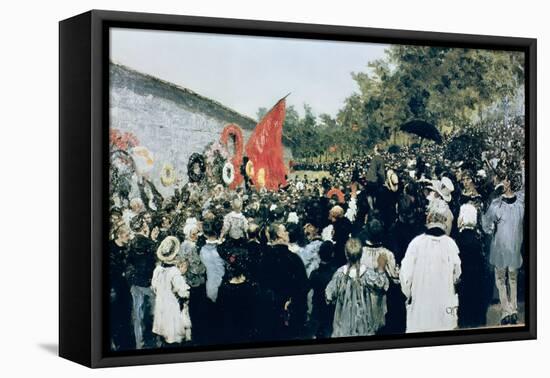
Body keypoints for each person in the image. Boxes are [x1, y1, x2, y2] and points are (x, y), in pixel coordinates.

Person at [399, 199, 462, 333]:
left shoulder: (415, 243)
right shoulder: (451, 245)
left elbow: (405, 276)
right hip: (444, 308)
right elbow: (457, 275)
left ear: (429, 219)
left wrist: (410, 295)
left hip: (420, 310)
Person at [482, 172, 524, 325]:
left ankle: (508, 310)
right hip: (513, 246)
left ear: (507, 181)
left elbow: (486, 225)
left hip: (504, 246)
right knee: (509, 278)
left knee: (504, 279)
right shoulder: (520, 201)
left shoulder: (498, 204)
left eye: (502, 180)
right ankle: (510, 309)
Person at [326, 238, 389, 337]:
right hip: (364, 326)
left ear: (346, 254)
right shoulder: (367, 274)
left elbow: (329, 295)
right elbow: (381, 284)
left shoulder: (339, 274)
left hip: (343, 327)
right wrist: (381, 268)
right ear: (361, 254)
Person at [360, 219, 401, 334]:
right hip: (379, 299)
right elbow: (396, 278)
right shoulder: (387, 254)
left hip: (364, 298)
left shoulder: (360, 253)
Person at [126, 214, 159, 349]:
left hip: (135, 283)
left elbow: (128, 263)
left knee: (137, 315)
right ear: (144, 226)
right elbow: (155, 262)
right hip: (148, 283)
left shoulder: (130, 243)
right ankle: (156, 342)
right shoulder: (149, 243)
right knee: (154, 313)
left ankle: (139, 343)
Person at [151, 236, 192, 345]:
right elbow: (182, 290)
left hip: (161, 302)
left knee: (163, 324)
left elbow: (154, 286)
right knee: (172, 329)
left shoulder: (158, 269)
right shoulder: (174, 271)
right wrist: (186, 293)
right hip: (171, 304)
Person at [109, 224, 135, 350]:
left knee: (126, 316)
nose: (129, 237)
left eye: (129, 235)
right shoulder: (110, 248)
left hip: (124, 287)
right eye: (126, 235)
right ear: (119, 235)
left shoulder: (127, 248)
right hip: (113, 288)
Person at [309, 241, 337, 339]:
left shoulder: (314, 274)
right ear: (332, 254)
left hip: (317, 309)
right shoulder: (335, 274)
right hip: (330, 311)